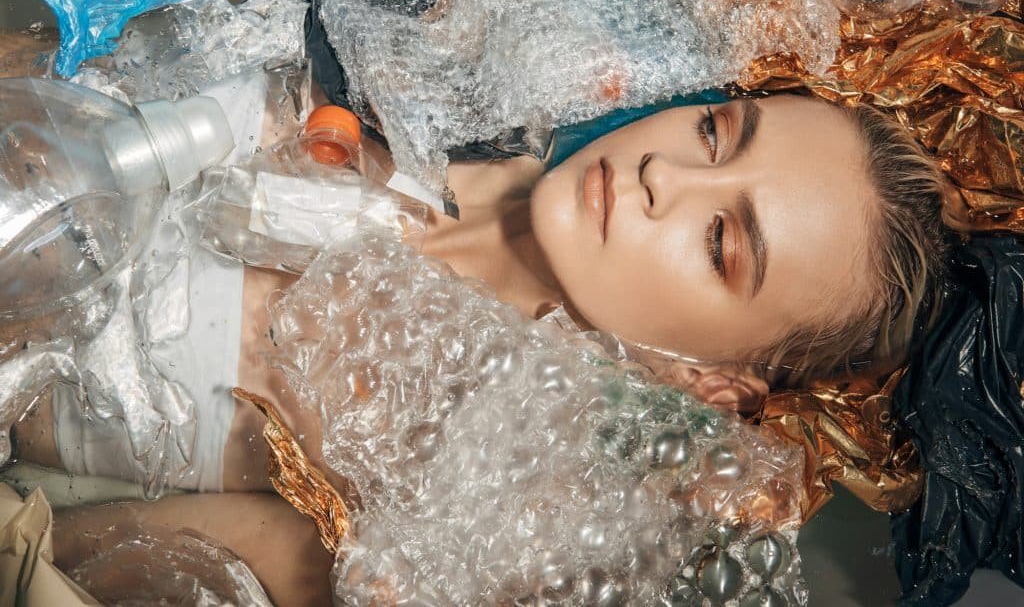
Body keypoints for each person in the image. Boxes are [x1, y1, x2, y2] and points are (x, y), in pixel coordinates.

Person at [14, 92, 949, 605]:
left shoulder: (461, 498)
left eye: (722, 242)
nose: (667, 172)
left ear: (717, 384)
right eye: (719, 131)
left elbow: (59, 555)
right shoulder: (425, 93)